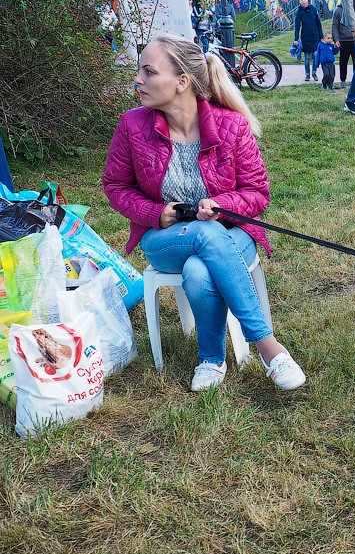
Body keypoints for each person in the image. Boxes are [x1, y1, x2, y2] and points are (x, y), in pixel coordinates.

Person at [102, 35, 307, 393]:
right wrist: (155, 212)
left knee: (199, 269)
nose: (138, 79)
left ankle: (211, 359)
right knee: (205, 234)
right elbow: (115, 186)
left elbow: (257, 193)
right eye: (140, 71)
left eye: (149, 72)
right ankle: (267, 345)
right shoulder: (132, 126)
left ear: (182, 81)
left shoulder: (231, 126)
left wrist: (222, 204)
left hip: (231, 234)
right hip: (165, 240)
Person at [294, 0, 324, 81]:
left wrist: (321, 36)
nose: (303, 1)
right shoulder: (299, 11)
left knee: (315, 55)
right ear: (299, 1)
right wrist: (296, 39)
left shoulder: (313, 9)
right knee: (307, 57)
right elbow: (297, 26)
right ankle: (307, 74)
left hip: (315, 36)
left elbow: (318, 24)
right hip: (305, 37)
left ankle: (314, 72)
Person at [331, 3, 355, 90]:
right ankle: (343, 80)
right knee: (343, 62)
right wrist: (336, 39)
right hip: (343, 40)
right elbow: (334, 26)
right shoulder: (338, 10)